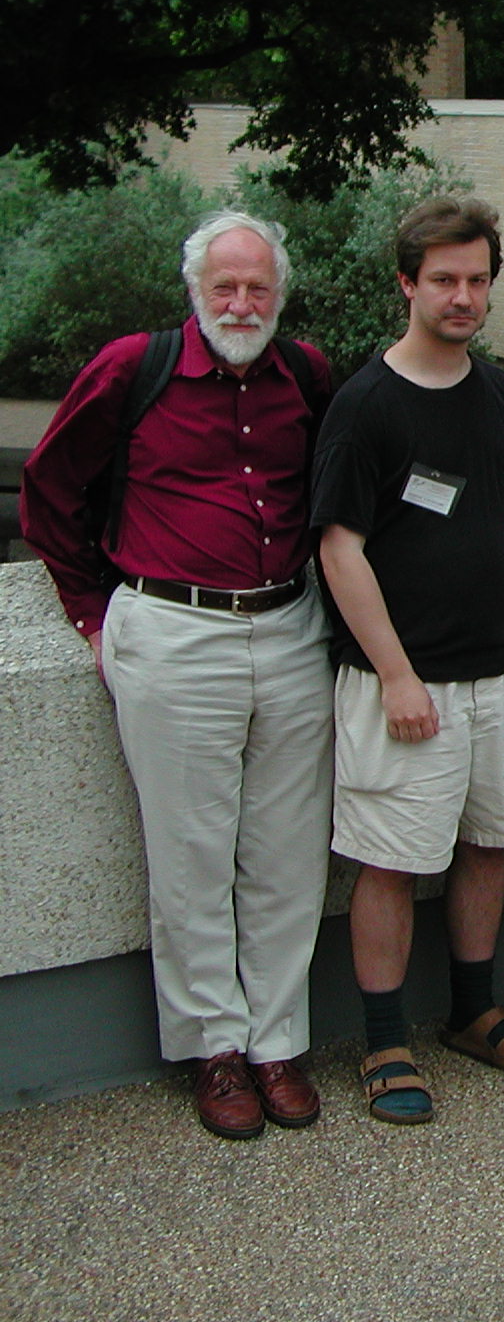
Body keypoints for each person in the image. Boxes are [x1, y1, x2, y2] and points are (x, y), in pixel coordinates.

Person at [21, 212, 333, 1139]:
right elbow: (49, 489)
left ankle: (277, 1041)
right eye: (224, 287)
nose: (241, 304)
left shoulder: (306, 374)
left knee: (287, 854)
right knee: (190, 855)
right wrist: (92, 612)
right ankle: (216, 1048)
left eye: (258, 287)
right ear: (195, 290)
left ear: (280, 295)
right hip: (172, 629)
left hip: (289, 626)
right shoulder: (133, 367)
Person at [312, 196, 504, 1123]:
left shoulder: (500, 394)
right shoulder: (364, 406)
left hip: (500, 673)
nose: (463, 297)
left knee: (490, 844)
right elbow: (340, 549)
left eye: (477, 280)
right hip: (404, 685)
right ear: (407, 284)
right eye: (444, 279)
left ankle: (471, 1010)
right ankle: (384, 1041)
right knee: (389, 862)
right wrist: (396, 674)